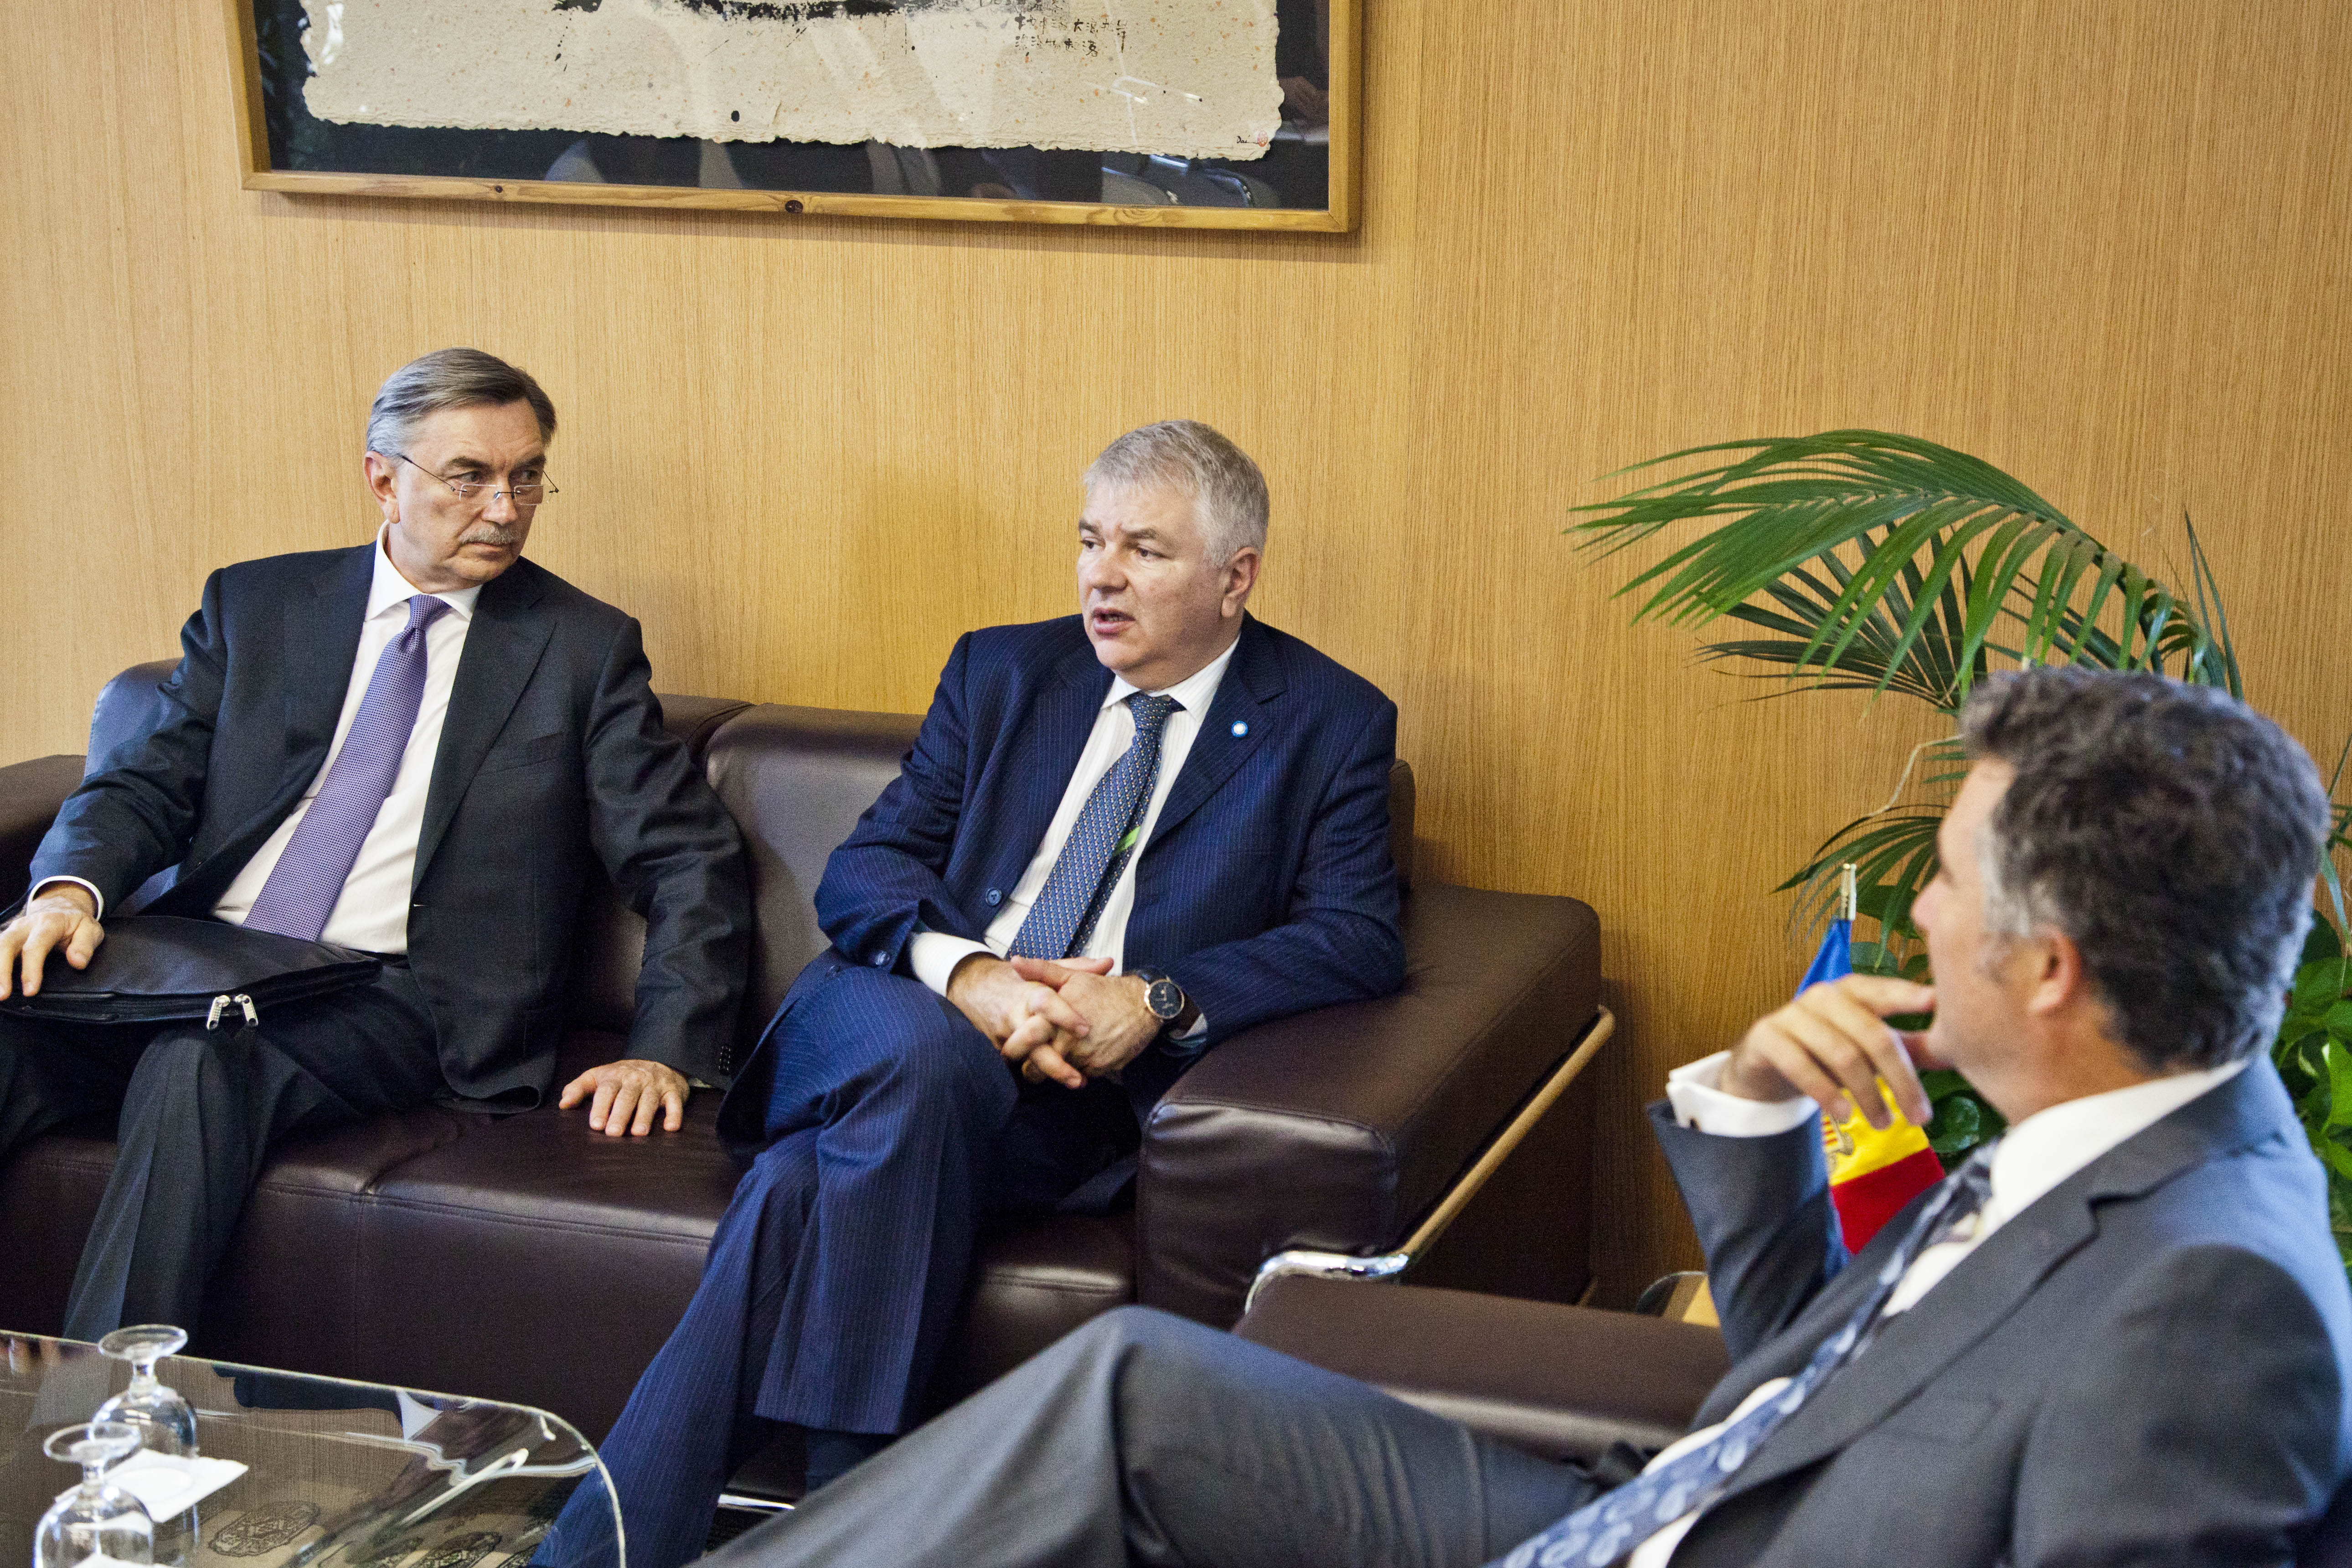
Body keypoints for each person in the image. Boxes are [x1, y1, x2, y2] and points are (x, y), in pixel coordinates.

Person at [705, 665, 2352, 1568]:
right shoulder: (2116, 1140)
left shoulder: (2217, 1306)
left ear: (2052, 969)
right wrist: (1760, 1112)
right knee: (1131, 1385)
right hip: (1640, 1506)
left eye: (1946, 882)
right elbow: (1822, 1372)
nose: (1915, 914)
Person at [556, 419, 1405, 1568]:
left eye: (1145, 551)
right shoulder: (1004, 672)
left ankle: (596, 1550)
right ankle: (852, 1525)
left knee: (800, 1189)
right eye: (1090, 541)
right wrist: (977, 977)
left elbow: (1357, 936)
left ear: (1235, 576)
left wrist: (1155, 998)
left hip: (1060, 1099)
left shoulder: (1329, 719)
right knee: (926, 1057)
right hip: (880, 1020)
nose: (1102, 576)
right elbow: (867, 867)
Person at [0, 347, 751, 1341]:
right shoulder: (256, 607)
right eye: (469, 477)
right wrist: (67, 892)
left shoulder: (580, 648)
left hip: (387, 994)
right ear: (383, 479)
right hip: (201, 960)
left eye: (527, 476)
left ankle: (113, 1408)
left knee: (200, 1061)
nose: (505, 508)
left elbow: (687, 858)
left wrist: (665, 1051)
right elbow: (143, 782)